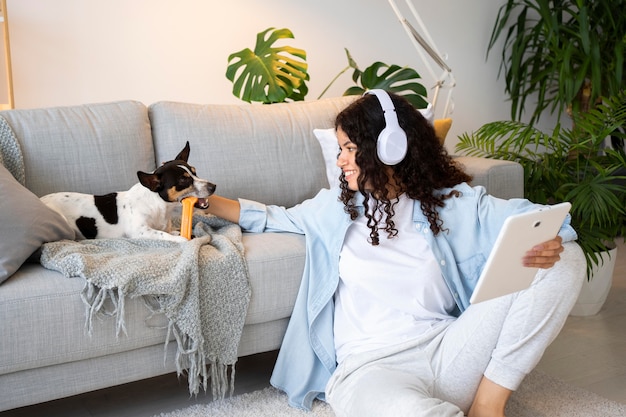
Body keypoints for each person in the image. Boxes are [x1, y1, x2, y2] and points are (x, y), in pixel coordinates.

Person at [204, 90, 586, 417]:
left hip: (451, 350)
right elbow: (271, 216)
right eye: (340, 150)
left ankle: (488, 403)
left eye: (350, 149)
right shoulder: (334, 209)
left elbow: (542, 219)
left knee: (566, 261)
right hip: (372, 370)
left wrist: (550, 238)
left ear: (389, 148)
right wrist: (202, 200)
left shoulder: (453, 203)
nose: (340, 161)